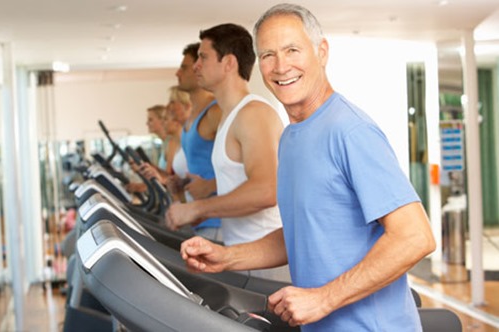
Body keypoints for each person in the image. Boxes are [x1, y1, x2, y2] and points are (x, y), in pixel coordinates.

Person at [180, 4, 436, 331]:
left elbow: (415, 236)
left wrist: (324, 298)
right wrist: (227, 257)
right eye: (268, 54)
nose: (281, 65)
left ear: (322, 52)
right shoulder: (291, 138)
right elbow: (303, 233)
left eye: (292, 50)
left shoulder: (350, 130)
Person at [166, 23, 290, 282]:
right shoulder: (229, 117)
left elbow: (267, 190)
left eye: (203, 57)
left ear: (229, 63)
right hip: (244, 257)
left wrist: (198, 209)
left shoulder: (253, 113)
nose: (196, 66)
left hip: (267, 262)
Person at [171, 42, 222, 240]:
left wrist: (211, 186)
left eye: (184, 67)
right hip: (198, 218)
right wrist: (181, 183)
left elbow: (246, 169)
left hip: (219, 223)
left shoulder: (216, 112)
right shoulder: (192, 116)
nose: (178, 73)